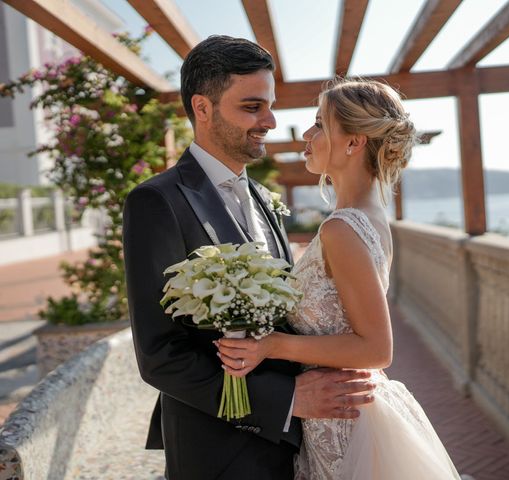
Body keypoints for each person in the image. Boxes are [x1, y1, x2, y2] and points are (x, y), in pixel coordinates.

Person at [122, 36, 375, 480]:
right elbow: (161, 354)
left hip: (296, 442)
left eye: (270, 105)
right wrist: (288, 398)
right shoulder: (156, 202)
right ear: (203, 108)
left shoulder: (264, 198)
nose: (271, 121)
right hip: (219, 450)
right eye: (252, 106)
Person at [216, 78, 462, 479]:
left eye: (319, 125)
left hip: (345, 420)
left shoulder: (341, 229)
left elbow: (377, 349)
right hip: (342, 407)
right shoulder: (369, 218)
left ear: (353, 143)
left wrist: (271, 345)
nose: (307, 136)